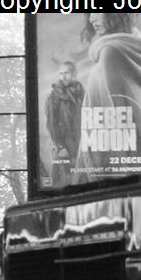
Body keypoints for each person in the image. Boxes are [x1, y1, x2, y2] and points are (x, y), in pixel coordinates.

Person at [74, 13, 141, 181]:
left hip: (124, 181)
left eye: (97, 11)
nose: (91, 19)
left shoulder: (111, 54)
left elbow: (112, 129)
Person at [44, 60, 84, 188]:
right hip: (63, 147)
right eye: (61, 74)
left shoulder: (81, 93)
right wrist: (60, 146)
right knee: (61, 184)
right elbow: (51, 124)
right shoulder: (53, 97)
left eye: (66, 73)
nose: (63, 76)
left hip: (81, 144)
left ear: (74, 74)